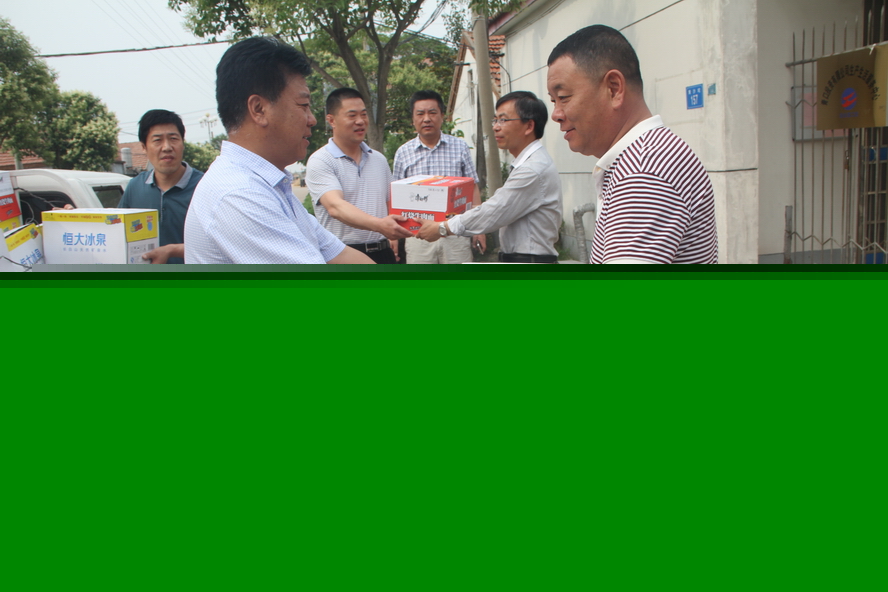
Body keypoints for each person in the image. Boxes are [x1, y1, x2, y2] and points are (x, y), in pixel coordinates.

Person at [185, 37, 372, 264]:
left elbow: (339, 254)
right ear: (259, 109)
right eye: (303, 105)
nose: (312, 119)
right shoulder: (239, 194)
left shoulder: (270, 186)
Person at [546, 25, 718, 264]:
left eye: (563, 97)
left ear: (614, 88)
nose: (556, 114)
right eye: (553, 101)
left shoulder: (645, 170)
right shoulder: (646, 157)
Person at [415, 91, 563, 263]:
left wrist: (443, 228)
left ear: (529, 126)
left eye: (503, 120)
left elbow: (494, 211)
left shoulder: (532, 169)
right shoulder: (529, 163)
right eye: (495, 120)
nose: (496, 127)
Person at [305, 88, 412, 264]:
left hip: (383, 251)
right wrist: (380, 225)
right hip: (342, 255)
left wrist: (393, 234)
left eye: (364, 114)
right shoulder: (321, 160)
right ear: (331, 120)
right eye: (352, 115)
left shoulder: (378, 159)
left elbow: (390, 202)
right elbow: (335, 207)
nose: (360, 121)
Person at [393, 90, 483, 264]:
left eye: (432, 113)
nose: (427, 119)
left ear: (442, 116)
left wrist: (479, 228)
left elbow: (472, 188)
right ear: (413, 119)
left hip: (455, 232)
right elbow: (395, 197)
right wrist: (394, 236)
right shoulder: (403, 153)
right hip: (418, 235)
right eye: (420, 114)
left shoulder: (460, 147)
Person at [117, 109, 202, 264]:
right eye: (157, 140)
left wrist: (172, 250)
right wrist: (73, 218)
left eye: (173, 139)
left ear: (183, 143)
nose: (167, 147)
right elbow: (116, 231)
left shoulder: (205, 187)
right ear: (144, 147)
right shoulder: (135, 187)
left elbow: (221, 243)